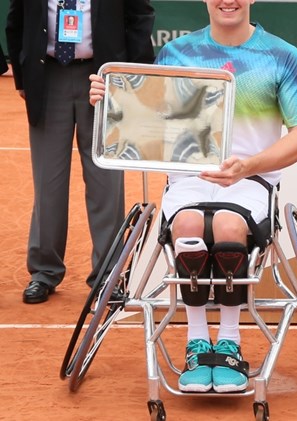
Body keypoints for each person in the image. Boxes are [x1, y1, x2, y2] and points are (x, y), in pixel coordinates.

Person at [90, 0, 297, 393]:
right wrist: (109, 100)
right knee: (187, 225)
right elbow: (145, 122)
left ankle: (229, 342)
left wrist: (247, 168)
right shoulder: (175, 54)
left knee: (230, 226)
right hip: (188, 179)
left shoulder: (283, 55)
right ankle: (197, 343)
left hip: (250, 181)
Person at [5, 0, 155, 304]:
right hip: (47, 80)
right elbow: (17, 21)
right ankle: (43, 272)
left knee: (106, 185)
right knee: (48, 182)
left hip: (104, 80)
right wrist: (23, 77)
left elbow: (140, 17)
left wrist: (133, 80)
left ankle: (107, 275)